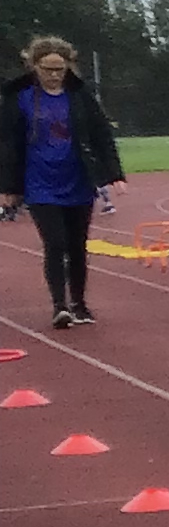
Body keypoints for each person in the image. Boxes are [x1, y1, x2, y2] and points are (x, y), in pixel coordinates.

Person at [1, 35, 124, 330]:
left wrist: (114, 173)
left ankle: (79, 303)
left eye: (60, 69)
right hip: (39, 182)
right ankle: (60, 306)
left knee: (77, 246)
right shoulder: (19, 98)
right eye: (48, 69)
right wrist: (8, 187)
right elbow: (7, 144)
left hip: (77, 180)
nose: (55, 75)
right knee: (55, 244)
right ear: (34, 66)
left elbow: (101, 135)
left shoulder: (80, 96)